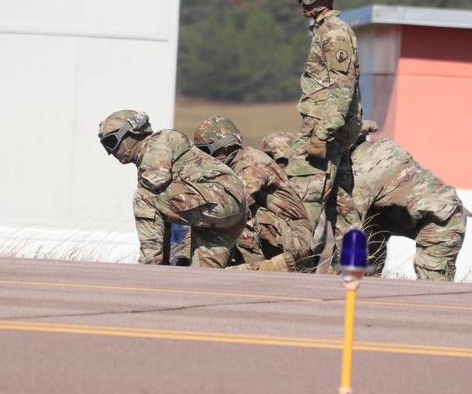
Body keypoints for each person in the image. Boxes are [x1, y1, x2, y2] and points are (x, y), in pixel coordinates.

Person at [98, 109, 248, 268]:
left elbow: (156, 181)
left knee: (142, 197)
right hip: (228, 206)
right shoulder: (155, 150)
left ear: (130, 133)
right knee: (202, 274)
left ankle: (147, 268)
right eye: (106, 146)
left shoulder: (157, 141)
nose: (111, 152)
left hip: (220, 198)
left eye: (111, 142)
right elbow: (163, 213)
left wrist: (153, 264)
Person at [292, 0, 364, 262]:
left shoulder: (334, 34)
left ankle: (295, 265)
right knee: (342, 202)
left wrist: (321, 135)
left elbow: (341, 90)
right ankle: (348, 265)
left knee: (305, 199)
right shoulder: (324, 30)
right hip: (329, 131)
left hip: (326, 133)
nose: (301, 3)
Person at [349, 121, 470, 281]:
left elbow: (350, 228)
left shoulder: (361, 169)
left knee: (432, 289)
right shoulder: (381, 146)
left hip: (442, 220)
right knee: (369, 237)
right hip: (425, 213)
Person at [193, 115, 314, 272]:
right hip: (280, 237)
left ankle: (255, 271)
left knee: (236, 215)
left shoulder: (250, 161)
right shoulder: (228, 168)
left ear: (224, 147)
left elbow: (230, 205)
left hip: (296, 241)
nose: (202, 157)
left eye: (204, 151)